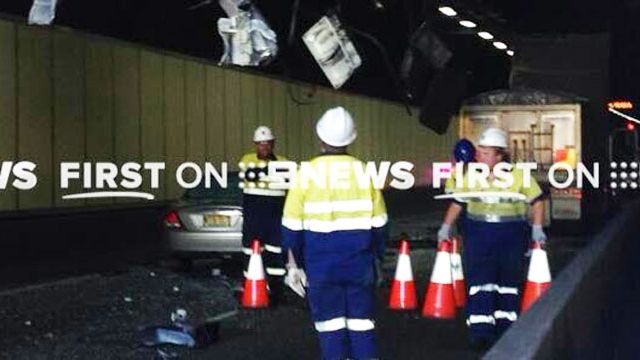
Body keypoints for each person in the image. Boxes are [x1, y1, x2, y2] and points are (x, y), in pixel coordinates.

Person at [281, 106, 388, 360]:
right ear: (352, 138)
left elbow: (291, 227)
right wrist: (378, 259)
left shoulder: (305, 173)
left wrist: (292, 265)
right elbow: (381, 225)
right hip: (359, 265)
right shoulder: (364, 172)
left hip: (321, 267)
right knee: (362, 326)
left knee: (330, 328)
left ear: (320, 138)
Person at [437, 128, 547, 349]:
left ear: (500, 155)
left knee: (508, 283)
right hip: (479, 233)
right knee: (480, 283)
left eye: (486, 153)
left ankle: (508, 327)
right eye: (480, 152)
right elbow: (458, 201)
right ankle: (480, 332)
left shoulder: (517, 175)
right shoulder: (472, 175)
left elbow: (537, 201)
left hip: (511, 234)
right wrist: (446, 226)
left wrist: (537, 228)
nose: (479, 156)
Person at [239, 126, 288, 302]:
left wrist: (271, 173)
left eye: (267, 144)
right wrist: (274, 173)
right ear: (255, 145)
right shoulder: (247, 159)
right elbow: (252, 175)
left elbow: (286, 180)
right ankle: (249, 283)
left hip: (275, 217)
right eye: (260, 144)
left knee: (276, 251)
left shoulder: (282, 160)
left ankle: (277, 288)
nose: (264, 148)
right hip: (254, 217)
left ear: (273, 144)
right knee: (250, 250)